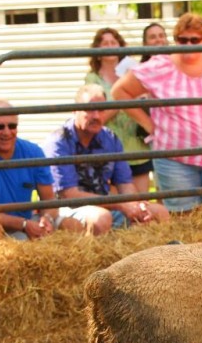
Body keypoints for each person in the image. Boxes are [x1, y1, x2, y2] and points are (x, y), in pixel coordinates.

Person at [112, 12, 202, 214]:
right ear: (175, 40)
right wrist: (150, 125)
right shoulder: (160, 66)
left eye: (195, 40)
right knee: (186, 217)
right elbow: (120, 91)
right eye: (182, 40)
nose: (188, 45)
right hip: (175, 157)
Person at [43, 84, 169, 235]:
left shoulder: (110, 138)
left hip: (107, 206)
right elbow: (69, 195)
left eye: (101, 109)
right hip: (67, 210)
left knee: (160, 212)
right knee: (101, 218)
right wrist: (121, 205)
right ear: (75, 110)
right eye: (90, 109)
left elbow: (125, 184)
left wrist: (136, 205)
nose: (96, 116)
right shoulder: (59, 141)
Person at [0, 99, 82, 248]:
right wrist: (23, 224)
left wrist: (47, 219)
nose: (6, 132)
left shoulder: (33, 151)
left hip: (26, 221)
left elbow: (49, 200)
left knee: (72, 225)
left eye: (12, 126)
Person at [85, 27, 152, 194]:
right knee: (117, 203)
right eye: (105, 43)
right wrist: (123, 97)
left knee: (142, 201)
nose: (110, 46)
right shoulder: (92, 79)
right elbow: (96, 116)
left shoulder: (132, 73)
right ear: (97, 52)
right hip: (108, 148)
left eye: (113, 42)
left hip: (137, 147)